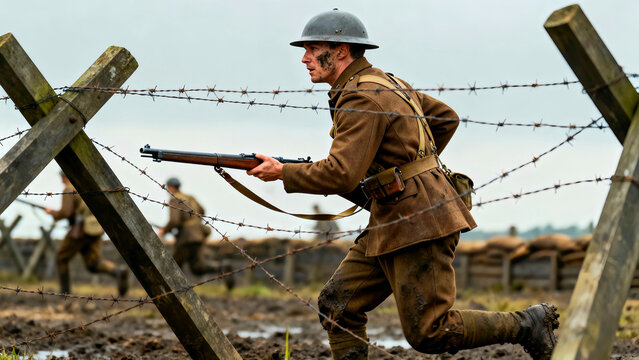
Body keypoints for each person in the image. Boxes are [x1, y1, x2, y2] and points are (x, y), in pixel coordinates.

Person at [247, 9, 559, 360]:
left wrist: (283, 172)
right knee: (338, 304)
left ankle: (527, 323)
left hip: (420, 222)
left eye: (312, 48)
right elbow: (445, 119)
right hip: (395, 218)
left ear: (340, 51)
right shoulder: (383, 82)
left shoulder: (361, 96)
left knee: (430, 332)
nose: (304, 58)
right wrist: (405, 170)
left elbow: (340, 174)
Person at [45, 172, 128, 296]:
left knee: (61, 258)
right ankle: (118, 271)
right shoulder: (83, 187)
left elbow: (66, 212)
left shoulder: (69, 189)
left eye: (62, 177)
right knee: (93, 264)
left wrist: (52, 213)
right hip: (95, 229)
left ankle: (65, 292)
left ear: (65, 176)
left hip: (80, 230)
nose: (62, 180)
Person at [158, 177, 234, 290]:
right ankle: (222, 266)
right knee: (198, 268)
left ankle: (169, 291)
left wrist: (164, 230)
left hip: (186, 238)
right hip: (198, 235)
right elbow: (202, 210)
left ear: (171, 187)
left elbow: (174, 221)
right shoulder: (190, 197)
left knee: (173, 266)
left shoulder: (175, 199)